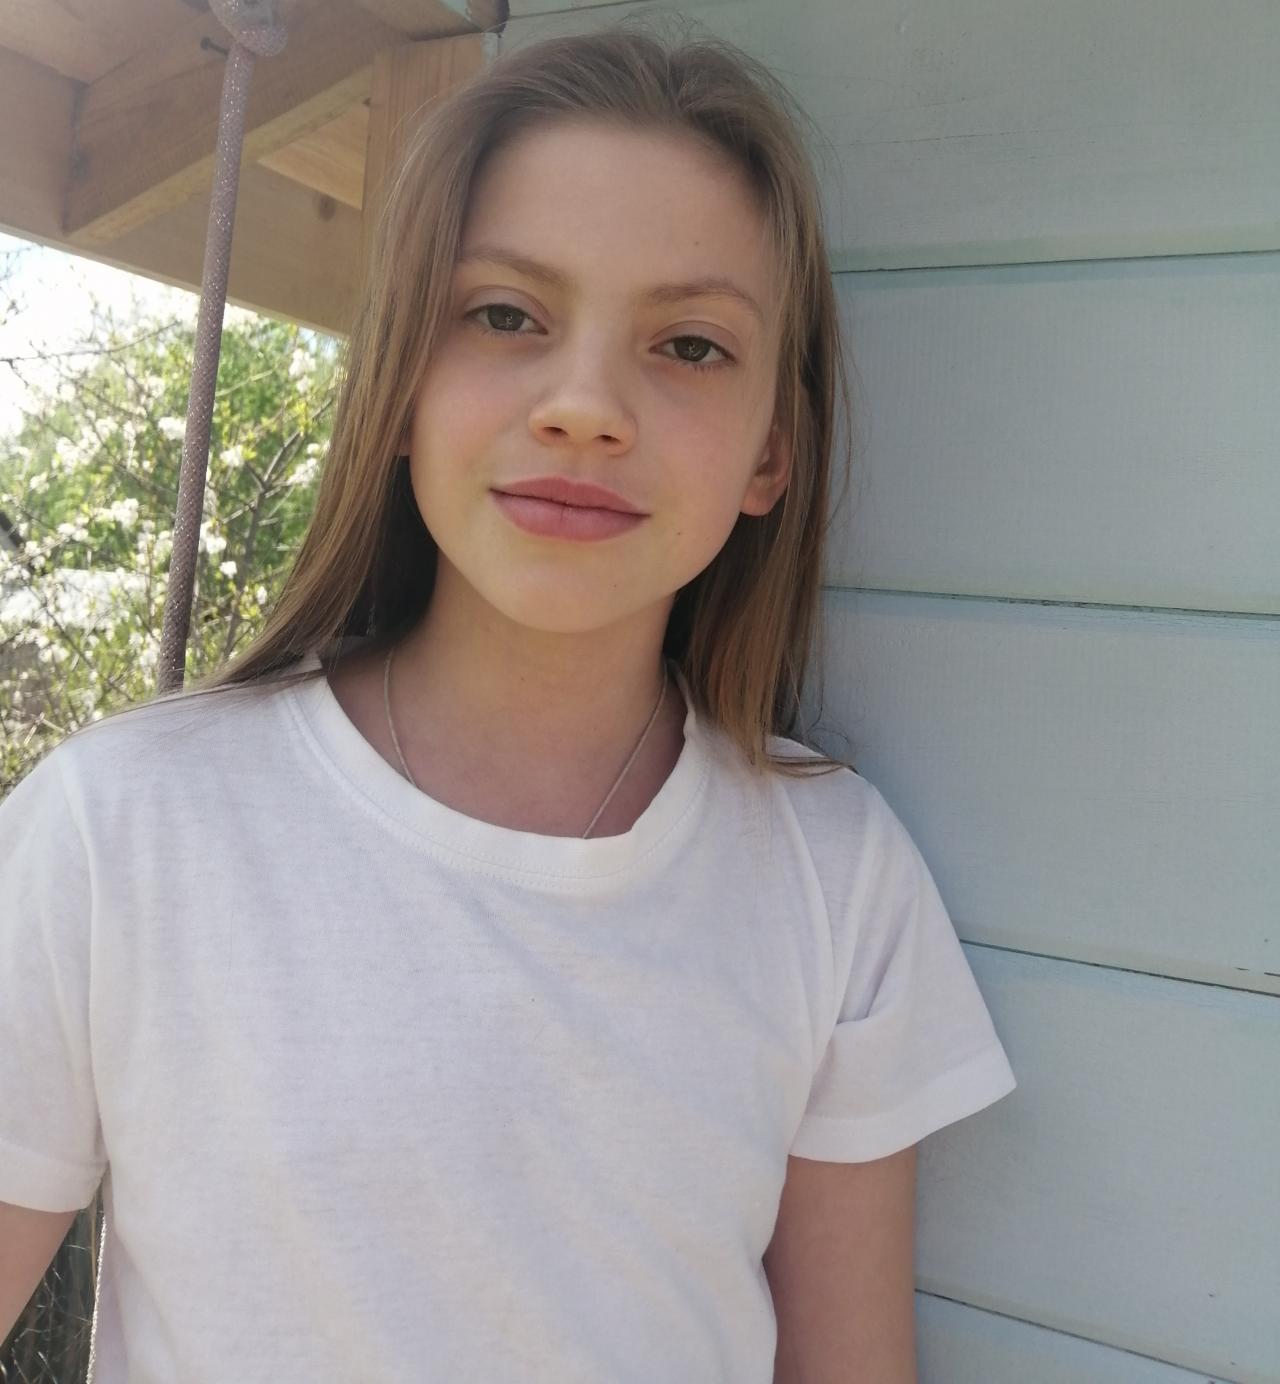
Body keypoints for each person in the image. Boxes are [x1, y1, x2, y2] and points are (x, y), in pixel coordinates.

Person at [0, 22, 1017, 1384]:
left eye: (691, 344)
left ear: (774, 449)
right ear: (400, 388)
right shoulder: (120, 829)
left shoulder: (836, 878)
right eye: (505, 315)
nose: (586, 407)